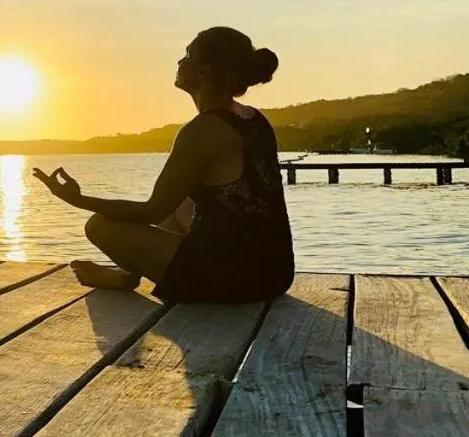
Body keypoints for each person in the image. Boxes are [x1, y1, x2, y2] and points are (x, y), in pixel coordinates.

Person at [33, 27, 294, 303]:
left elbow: (150, 211)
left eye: (188, 55)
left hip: (232, 278)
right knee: (182, 205)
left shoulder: (202, 130)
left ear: (203, 71)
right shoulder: (253, 118)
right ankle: (126, 274)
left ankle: (130, 276)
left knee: (99, 225)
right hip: (275, 271)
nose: (180, 62)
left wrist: (79, 199)